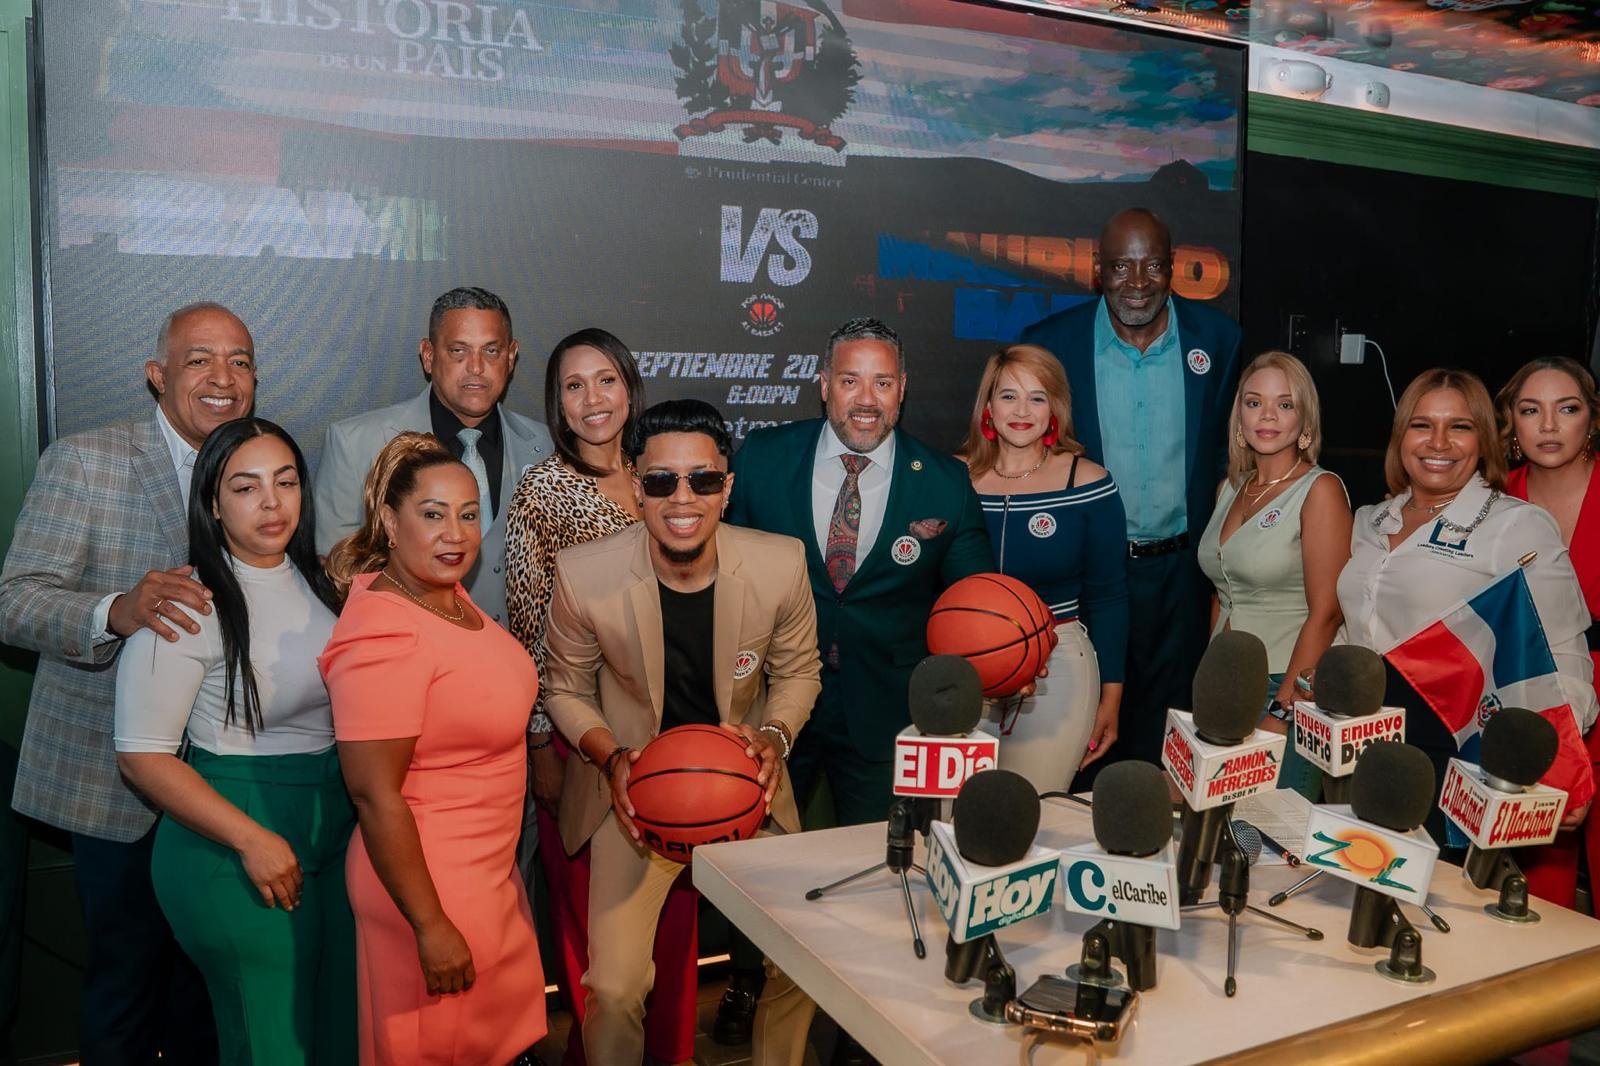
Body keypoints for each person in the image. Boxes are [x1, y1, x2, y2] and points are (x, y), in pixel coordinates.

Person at [728, 317, 991, 1066]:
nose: (865, 399)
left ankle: (856, 1028)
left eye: (881, 382)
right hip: (776, 703)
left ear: (903, 391)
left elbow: (973, 601)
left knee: (880, 872)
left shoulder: (943, 481)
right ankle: (746, 981)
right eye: (850, 380)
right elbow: (725, 574)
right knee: (757, 863)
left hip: (885, 709)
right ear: (823, 385)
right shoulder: (765, 459)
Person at [0, 301, 257, 1063]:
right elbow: (15, 602)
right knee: (126, 993)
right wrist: (116, 609)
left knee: (209, 994)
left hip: (228, 785)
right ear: (157, 375)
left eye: (240, 361)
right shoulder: (87, 461)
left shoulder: (263, 469)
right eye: (199, 360)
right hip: (113, 787)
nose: (223, 377)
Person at [542, 399, 821, 1066]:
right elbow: (565, 688)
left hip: (742, 789)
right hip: (636, 797)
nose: (683, 498)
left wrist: (775, 736)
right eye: (662, 481)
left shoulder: (779, 563)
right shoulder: (586, 574)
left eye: (703, 479)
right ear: (637, 487)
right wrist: (611, 758)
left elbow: (799, 671)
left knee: (806, 956)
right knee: (613, 988)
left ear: (728, 486)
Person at [113, 418, 354, 1064]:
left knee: (337, 1035)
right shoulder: (186, 605)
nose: (272, 503)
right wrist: (252, 840)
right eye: (246, 488)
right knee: (272, 1045)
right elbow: (140, 757)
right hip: (233, 833)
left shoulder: (324, 583)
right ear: (213, 504)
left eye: (285, 482)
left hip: (331, 825)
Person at [503, 329, 700, 1065]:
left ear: (630, 387)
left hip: (676, 736)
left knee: (674, 927)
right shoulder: (543, 491)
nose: (593, 399)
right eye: (574, 385)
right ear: (556, 403)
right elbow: (528, 626)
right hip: (581, 738)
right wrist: (540, 749)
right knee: (597, 938)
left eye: (606, 380)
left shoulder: (668, 472)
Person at [320, 433, 545, 1065]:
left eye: (469, 514)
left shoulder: (445, 596)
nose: (456, 534)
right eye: (433, 514)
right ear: (390, 522)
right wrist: (431, 924)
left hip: (485, 874)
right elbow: (374, 794)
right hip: (430, 886)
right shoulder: (383, 632)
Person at [1020, 207, 1242, 776]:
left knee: (1178, 740)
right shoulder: (1051, 346)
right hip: (1094, 576)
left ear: (1173, 267)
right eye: (1121, 266)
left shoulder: (1218, 340)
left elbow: (1227, 454)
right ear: (1098, 268)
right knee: (1087, 737)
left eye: (1153, 266)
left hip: (1184, 579)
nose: (1138, 283)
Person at [1338, 368, 1596, 846]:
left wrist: (1554, 759)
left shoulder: (1515, 525)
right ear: (1400, 437)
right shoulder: (1370, 520)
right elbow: (1357, 624)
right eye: (1421, 425)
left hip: (1455, 759)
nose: (1438, 442)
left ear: (1483, 441)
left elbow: (1561, 652)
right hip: (1363, 750)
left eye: (1459, 426)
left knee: (1444, 890)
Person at [314, 286, 552, 627]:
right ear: (428, 355)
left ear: (511, 356)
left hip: (521, 655)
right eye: (458, 351)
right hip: (406, 647)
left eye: (491, 351)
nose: (476, 367)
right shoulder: (356, 444)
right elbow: (339, 572)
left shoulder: (547, 447)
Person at [960, 344, 1128, 791]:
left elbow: (1110, 597)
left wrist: (1111, 697)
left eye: (1037, 398)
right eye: (1008, 396)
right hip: (964, 667)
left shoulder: (1088, 482)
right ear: (988, 406)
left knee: (1030, 809)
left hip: (1057, 665)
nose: (1022, 411)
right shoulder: (951, 478)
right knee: (954, 816)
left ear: (1055, 410)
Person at [1197, 351, 1350, 800]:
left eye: (1285, 404)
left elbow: (1328, 612)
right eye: (1254, 402)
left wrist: (1283, 709)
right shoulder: (1230, 488)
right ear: (1239, 417)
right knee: (1222, 827)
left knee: (1271, 831)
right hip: (1226, 683)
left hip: (1286, 685)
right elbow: (1221, 592)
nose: (1267, 415)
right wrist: (1211, 676)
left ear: (1305, 422)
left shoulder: (1320, 489)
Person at [1498, 356, 1600, 907]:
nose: (1550, 425)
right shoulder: (1491, 503)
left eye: (1568, 408)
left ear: (1592, 419)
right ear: (1511, 422)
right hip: (1530, 702)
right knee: (1537, 901)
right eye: (1531, 410)